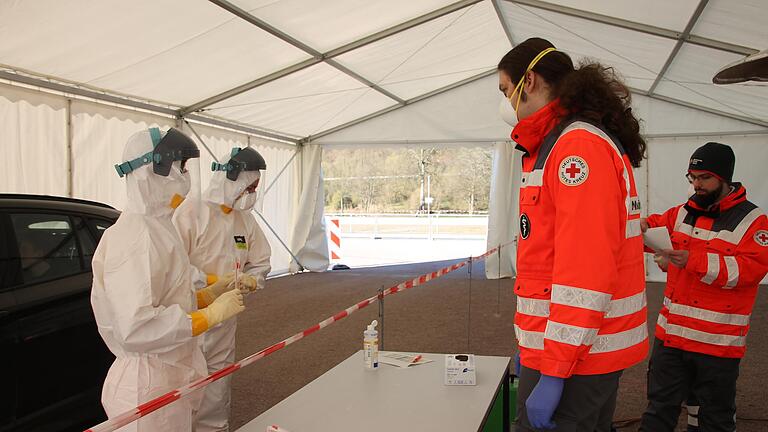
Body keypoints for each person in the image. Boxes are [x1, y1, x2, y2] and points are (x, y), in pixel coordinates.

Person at [498, 37, 648, 431]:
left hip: (577, 356)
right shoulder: (557, 144)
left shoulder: (575, 148)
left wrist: (555, 369)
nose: (504, 103)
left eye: (504, 89)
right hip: (567, 348)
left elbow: (584, 273)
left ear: (528, 81)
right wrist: (530, 346)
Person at [91, 127, 247, 431]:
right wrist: (208, 316)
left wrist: (206, 295)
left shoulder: (158, 226)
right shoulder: (133, 237)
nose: (186, 177)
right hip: (144, 385)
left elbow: (165, 295)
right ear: (151, 169)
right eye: (182, 167)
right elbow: (136, 327)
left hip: (164, 375)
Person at [639, 142, 768, 432]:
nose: (696, 185)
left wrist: (692, 260)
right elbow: (655, 231)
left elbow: (749, 271)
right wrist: (643, 227)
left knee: (715, 419)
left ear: (724, 178)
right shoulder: (681, 213)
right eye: (692, 178)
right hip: (671, 338)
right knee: (658, 411)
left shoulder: (754, 222)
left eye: (704, 178)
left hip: (717, 346)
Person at [173, 146, 272, 432]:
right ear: (232, 180)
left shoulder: (245, 220)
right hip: (188, 318)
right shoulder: (190, 212)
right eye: (249, 187)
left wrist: (254, 279)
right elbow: (173, 266)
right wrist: (209, 284)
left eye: (255, 188)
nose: (252, 193)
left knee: (217, 385)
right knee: (183, 386)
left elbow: (261, 261)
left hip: (225, 319)